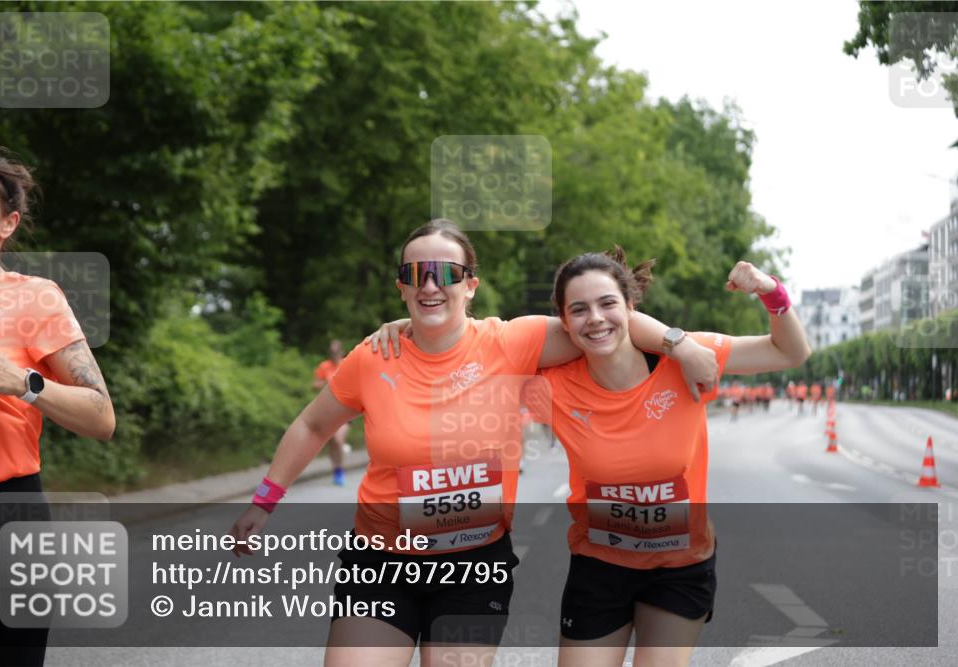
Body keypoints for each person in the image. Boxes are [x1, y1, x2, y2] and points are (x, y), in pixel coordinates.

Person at [229, 220, 719, 667]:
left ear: (470, 285)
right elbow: (312, 426)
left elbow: (604, 320)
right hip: (382, 562)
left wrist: (680, 344)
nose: (430, 284)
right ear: (402, 287)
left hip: (474, 566)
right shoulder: (374, 357)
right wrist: (264, 501)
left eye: (446, 272)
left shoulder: (512, 342)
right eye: (415, 273)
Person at [532, 249, 809, 667]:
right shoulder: (552, 384)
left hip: (680, 567)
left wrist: (770, 291)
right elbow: (479, 348)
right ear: (563, 321)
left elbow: (789, 353)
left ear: (630, 306)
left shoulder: (689, 360)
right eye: (579, 309)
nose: (596, 318)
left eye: (607, 303)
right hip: (599, 565)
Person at [0, 148, 116, 666]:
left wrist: (22, 382)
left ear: (7, 223)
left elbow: (101, 417)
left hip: (5, 511)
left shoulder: (35, 298)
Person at [313, 339, 349, 485]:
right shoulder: (324, 366)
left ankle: (340, 471)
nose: (334, 354)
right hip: (328, 409)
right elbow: (314, 384)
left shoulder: (347, 364)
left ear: (341, 351)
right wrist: (325, 382)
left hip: (345, 409)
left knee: (338, 440)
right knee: (333, 441)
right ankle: (336, 469)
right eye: (331, 351)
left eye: (336, 351)